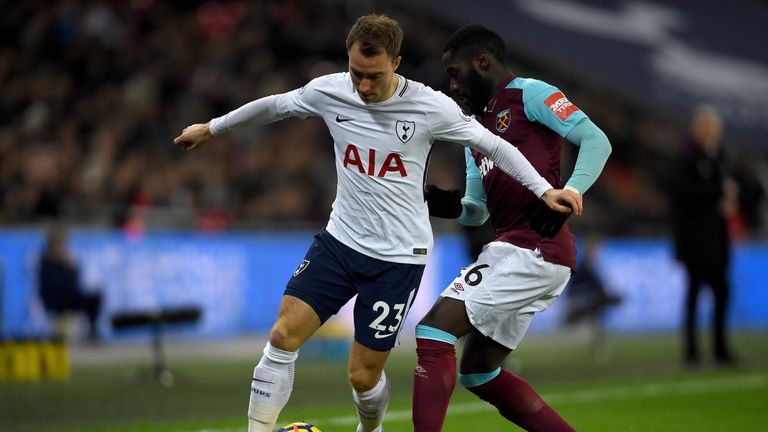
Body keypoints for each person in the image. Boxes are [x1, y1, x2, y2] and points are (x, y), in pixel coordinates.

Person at [173, 15, 582, 432]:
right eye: (356, 74)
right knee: (281, 337)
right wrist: (212, 127)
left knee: (362, 377)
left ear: (397, 63)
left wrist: (543, 190)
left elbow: (494, 144)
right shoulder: (329, 91)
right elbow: (276, 105)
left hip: (398, 259)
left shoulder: (430, 106)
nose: (363, 86)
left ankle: (371, 428)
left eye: (374, 76)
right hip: (339, 242)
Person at [413, 25, 611, 431]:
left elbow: (596, 140)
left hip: (536, 248)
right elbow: (476, 211)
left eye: (456, 72)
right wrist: (440, 201)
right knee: (479, 373)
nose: (452, 85)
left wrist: (569, 193)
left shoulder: (531, 94)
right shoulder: (473, 130)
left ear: (482, 61)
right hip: (516, 250)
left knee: (433, 332)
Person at [668, 105, 738, 366]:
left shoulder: (719, 157)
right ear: (698, 129)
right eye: (708, 127)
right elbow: (683, 194)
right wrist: (719, 191)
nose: (712, 133)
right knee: (695, 293)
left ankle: (719, 349)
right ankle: (692, 352)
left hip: (717, 239)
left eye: (715, 129)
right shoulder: (686, 157)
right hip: (694, 241)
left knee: (721, 291)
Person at [38, 228, 102, 342]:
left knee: (95, 297)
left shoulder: (66, 260)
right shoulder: (46, 261)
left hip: (70, 296)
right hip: (56, 299)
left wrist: (71, 266)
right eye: (58, 244)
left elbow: (74, 281)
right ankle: (61, 334)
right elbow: (55, 284)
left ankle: (92, 331)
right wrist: (66, 266)